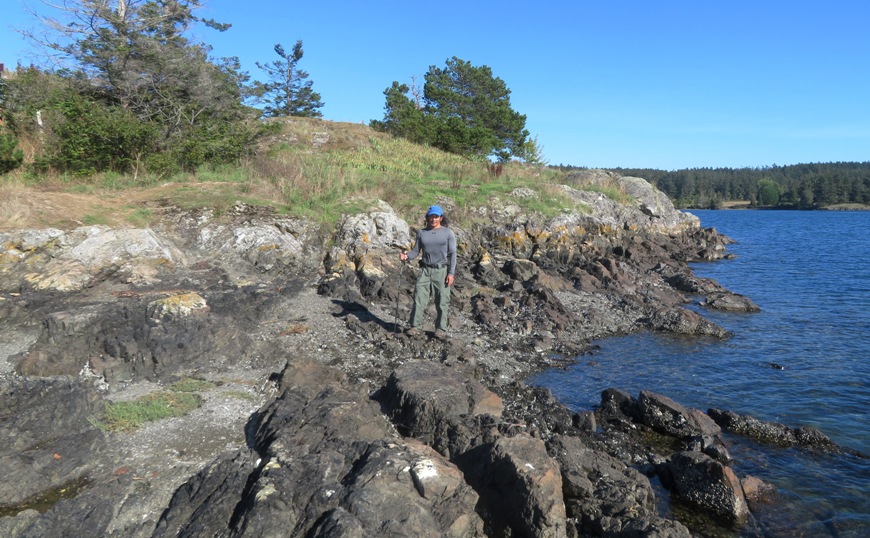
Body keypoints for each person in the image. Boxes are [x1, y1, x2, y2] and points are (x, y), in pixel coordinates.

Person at [399, 205, 456, 337]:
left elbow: (453, 254)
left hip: (441, 271)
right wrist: (406, 257)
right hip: (425, 270)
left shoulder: (448, 233)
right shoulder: (421, 233)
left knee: (442, 301)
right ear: (427, 218)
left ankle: (441, 329)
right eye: (431, 216)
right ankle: (415, 326)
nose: (433, 219)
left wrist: (451, 273)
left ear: (441, 218)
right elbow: (415, 251)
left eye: (436, 216)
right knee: (419, 299)